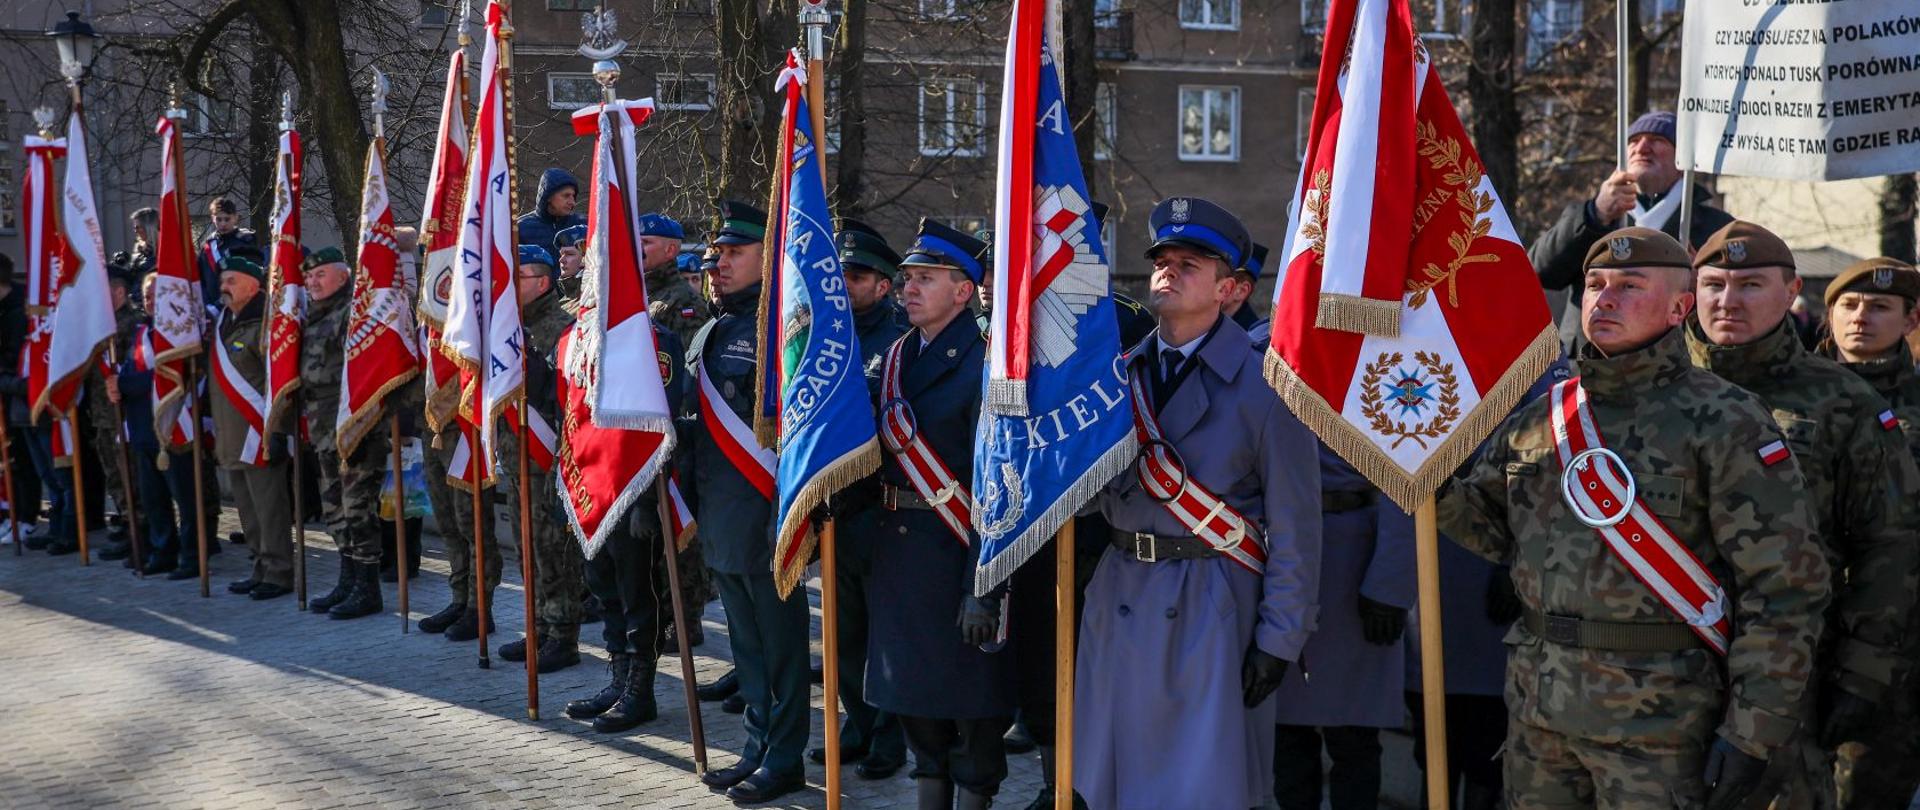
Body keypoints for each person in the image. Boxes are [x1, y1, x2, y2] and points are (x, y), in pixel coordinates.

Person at [1442, 226, 1829, 808]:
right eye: (1595, 285)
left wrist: (1753, 731)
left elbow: (1784, 592)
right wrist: (1427, 483)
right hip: (1539, 716)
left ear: (1679, 307)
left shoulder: (1725, 421)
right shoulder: (1544, 412)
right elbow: (1494, 532)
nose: (1605, 299)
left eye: (1628, 285)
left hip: (1662, 727)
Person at [1075, 197, 1323, 810]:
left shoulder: (1268, 387)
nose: (1168, 270)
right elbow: (1085, 498)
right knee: (1112, 781)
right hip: (1120, 593)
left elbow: (1297, 528)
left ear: (1231, 289)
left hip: (1211, 605)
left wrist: (1278, 640)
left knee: (1199, 788)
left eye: (1191, 262)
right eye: (1162, 258)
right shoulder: (1116, 376)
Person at [1684, 222, 1920, 810]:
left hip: (1788, 675)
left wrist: (1863, 671)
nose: (1727, 301)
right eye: (1714, 284)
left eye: (1750, 286)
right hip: (1655, 674)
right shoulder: (1653, 388)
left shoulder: (1843, 401)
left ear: (1791, 292)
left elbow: (1889, 544)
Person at [848, 220, 1011, 809]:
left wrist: (985, 587)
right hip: (900, 557)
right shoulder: (894, 357)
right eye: (907, 278)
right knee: (918, 713)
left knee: (973, 717)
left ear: (964, 291)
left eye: (925, 279)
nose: (907, 288)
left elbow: (1001, 490)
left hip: (960, 558)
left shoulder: (990, 363)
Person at [682, 200, 808, 803]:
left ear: (769, 257)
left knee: (782, 651)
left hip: (765, 520)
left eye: (734, 254)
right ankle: (757, 747)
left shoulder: (783, 331)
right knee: (747, 648)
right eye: (716, 255)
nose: (718, 265)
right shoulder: (714, 328)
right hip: (722, 521)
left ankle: (784, 759)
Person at [805, 218, 911, 779]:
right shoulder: (823, 334)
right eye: (840, 272)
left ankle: (889, 735)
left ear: (884, 284)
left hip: (882, 509)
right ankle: (857, 721)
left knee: (882, 628)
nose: (844, 282)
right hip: (834, 510)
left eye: (858, 274)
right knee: (842, 629)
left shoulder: (898, 340)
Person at [1814, 257, 1920, 810]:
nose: (1861, 318)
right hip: (1797, 635)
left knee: (1867, 791)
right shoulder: (1782, 397)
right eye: (1848, 306)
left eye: (1880, 307)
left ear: (1909, 320)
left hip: (1894, 645)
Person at [1272, 447, 1412, 810]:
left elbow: (1406, 474)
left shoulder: (1377, 389)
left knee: (1354, 739)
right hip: (1279, 554)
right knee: (1285, 738)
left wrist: (1390, 583)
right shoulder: (1269, 386)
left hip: (1353, 561)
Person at [564, 324, 686, 733]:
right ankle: (617, 678)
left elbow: (663, 419)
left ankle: (640, 687)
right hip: (591, 490)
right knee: (603, 587)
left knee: (638, 593)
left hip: (633, 487)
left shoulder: (651, 336)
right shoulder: (577, 336)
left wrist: (650, 501)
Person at [1529, 111, 1735, 351]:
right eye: (1634, 141)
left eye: (1659, 140)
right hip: (1590, 365)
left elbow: (1732, 305)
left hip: (1675, 367)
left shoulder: (1716, 228)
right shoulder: (1589, 216)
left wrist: (1700, 283)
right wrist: (1595, 215)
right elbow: (1540, 271)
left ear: (1683, 160)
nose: (1642, 148)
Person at [495, 245, 584, 673]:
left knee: (553, 552)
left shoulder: (561, 329)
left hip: (548, 462)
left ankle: (562, 634)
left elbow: (568, 403)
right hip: (517, 462)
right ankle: (537, 628)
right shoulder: (509, 327)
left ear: (543, 282)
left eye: (519, 277)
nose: (509, 285)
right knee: (527, 551)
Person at [634, 212, 716, 653]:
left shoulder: (684, 301)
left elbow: (686, 372)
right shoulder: (637, 296)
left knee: (680, 537)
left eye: (646, 242)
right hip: (642, 435)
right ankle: (660, 612)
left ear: (670, 248)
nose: (638, 248)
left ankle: (686, 618)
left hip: (675, 433)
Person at [295, 246, 386, 620]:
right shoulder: (313, 316)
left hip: (354, 431)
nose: (313, 282)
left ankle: (369, 588)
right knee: (335, 510)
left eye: (321, 275)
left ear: (344, 277)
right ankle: (347, 579)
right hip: (322, 430)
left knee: (358, 509)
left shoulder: (353, 315)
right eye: (309, 277)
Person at [210, 245, 295, 601]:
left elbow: (280, 383)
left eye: (232, 280)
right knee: (247, 509)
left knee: (269, 507)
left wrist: (278, 431)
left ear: (253, 285)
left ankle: (279, 572)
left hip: (258, 433)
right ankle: (260, 565)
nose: (224, 286)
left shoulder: (265, 324)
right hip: (231, 435)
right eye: (222, 280)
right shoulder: (223, 321)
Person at [89, 256, 147, 564]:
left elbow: (130, 367)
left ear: (120, 292)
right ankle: (127, 524)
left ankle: (138, 529)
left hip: (123, 414)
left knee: (129, 474)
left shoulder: (130, 323)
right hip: (103, 412)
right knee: (114, 473)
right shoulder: (105, 324)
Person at [0, 255, 42, 543]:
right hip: (6, 393)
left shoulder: (19, 310)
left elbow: (17, 357)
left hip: (18, 395)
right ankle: (8, 513)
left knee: (22, 461)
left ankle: (26, 517)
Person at [197, 196, 256, 308]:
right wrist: (208, 306)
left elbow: (250, 277)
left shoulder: (246, 243)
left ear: (235, 218)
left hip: (239, 306)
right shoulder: (207, 247)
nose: (223, 224)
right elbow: (201, 281)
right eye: (219, 219)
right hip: (212, 309)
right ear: (213, 218)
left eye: (227, 219)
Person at [515, 168, 585, 257]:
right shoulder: (520, 229)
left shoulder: (582, 226)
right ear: (548, 196)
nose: (572, 202)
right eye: (566, 196)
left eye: (573, 196)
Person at [553, 224, 586, 306]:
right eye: (561, 254)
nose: (561, 260)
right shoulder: (563, 303)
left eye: (569, 254)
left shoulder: (594, 300)